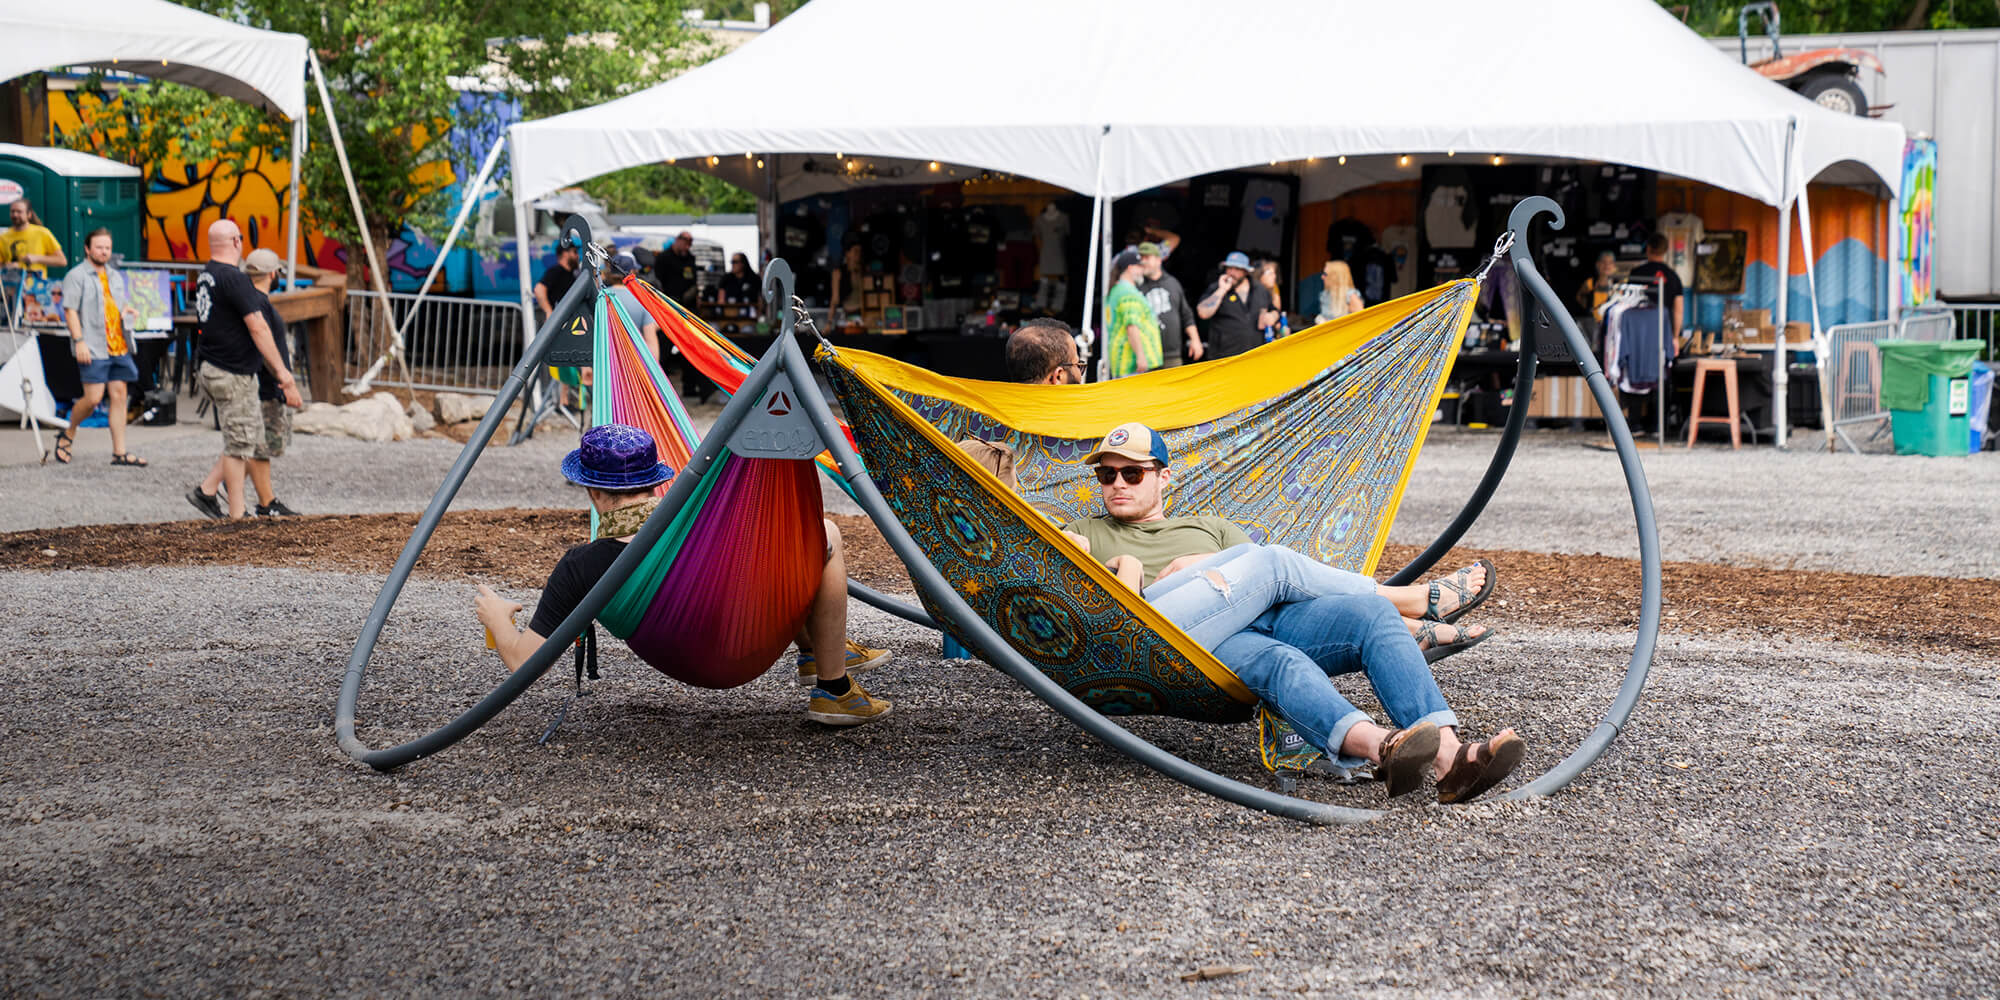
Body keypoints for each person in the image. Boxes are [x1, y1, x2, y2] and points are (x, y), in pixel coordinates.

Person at [1062, 422, 1520, 801]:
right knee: (1275, 560)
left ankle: (1442, 759)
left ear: (1164, 477)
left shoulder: (1211, 528)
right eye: (1107, 475)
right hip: (1162, 634)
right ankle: (1413, 600)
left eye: (1133, 474)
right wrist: (1131, 565)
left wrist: (1200, 564)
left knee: (1350, 627)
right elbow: (1093, 607)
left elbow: (1281, 588)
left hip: (1245, 632)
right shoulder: (1085, 531)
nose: (1117, 484)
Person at [474, 423, 892, 725]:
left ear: (593, 492)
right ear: (656, 485)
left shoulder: (580, 567)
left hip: (688, 657)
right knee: (819, 535)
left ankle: (816, 652)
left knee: (789, 551)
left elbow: (524, 664)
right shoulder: (695, 533)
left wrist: (496, 616)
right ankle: (832, 687)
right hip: (747, 639)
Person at [185, 220, 302, 520]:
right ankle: (236, 514)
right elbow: (258, 327)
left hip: (211, 365)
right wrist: (283, 374)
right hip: (231, 372)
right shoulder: (234, 279)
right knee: (239, 444)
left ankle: (215, 495)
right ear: (237, 242)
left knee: (243, 437)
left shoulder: (207, 274)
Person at [50, 227, 143, 466]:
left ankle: (119, 452)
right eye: (99, 247)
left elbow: (115, 304)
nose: (104, 252)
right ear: (87, 248)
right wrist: (79, 341)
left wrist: (126, 310)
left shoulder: (114, 275)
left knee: (119, 395)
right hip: (92, 344)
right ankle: (68, 432)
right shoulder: (76, 275)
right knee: (92, 399)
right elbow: (70, 310)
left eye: (107, 248)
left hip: (118, 344)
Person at [1195, 251, 1277, 360]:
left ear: (1246, 272)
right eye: (1229, 268)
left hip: (1256, 356)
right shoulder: (1217, 288)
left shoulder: (1259, 289)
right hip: (1224, 358)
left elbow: (1275, 311)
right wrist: (1222, 290)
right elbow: (1203, 313)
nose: (1232, 273)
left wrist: (1272, 316)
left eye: (1237, 269)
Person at [1138, 241, 1200, 365]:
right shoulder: (1137, 286)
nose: (1143, 262)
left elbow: (1186, 315)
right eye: (1141, 258)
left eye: (1147, 258)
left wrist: (1195, 340)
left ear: (1158, 260)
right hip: (1147, 356)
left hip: (1172, 355)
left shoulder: (1172, 283)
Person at [1103, 249, 1161, 379]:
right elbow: (1132, 326)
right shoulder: (1127, 293)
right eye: (1140, 266)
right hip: (1132, 364)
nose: (1143, 270)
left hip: (1123, 363)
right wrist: (1141, 356)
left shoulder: (1117, 290)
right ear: (1130, 268)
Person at [601, 251, 662, 361]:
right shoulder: (641, 299)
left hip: (607, 363)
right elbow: (651, 340)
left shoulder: (600, 297)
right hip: (634, 365)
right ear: (632, 272)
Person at [1629, 235, 1683, 336]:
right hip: (1664, 331)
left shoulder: (1636, 273)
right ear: (1665, 251)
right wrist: (1675, 337)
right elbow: (1678, 310)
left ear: (1648, 248)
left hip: (1640, 331)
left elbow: (1628, 302)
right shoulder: (1673, 276)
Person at [1005, 317, 1086, 385]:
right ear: (1058, 376)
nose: (1080, 372)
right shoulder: (1090, 403)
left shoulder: (994, 402)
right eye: (1078, 365)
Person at [0, 198, 67, 275]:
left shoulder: (42, 233)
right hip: (12, 285)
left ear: (29, 214)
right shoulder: (3, 237)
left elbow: (62, 261)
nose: (15, 215)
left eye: (19, 211)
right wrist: (6, 267)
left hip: (37, 285)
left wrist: (36, 258)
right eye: (12, 211)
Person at [533, 243, 580, 321]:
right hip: (558, 320)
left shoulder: (572, 274)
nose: (577, 256)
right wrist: (548, 311)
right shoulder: (556, 271)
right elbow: (539, 289)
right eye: (575, 252)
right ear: (565, 254)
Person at [653, 230, 700, 304]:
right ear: (678, 240)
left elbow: (692, 279)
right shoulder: (664, 257)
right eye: (685, 244)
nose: (687, 248)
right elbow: (657, 279)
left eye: (689, 245)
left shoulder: (690, 258)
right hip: (669, 300)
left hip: (687, 302)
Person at [1315, 260, 1365, 325]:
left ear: (1336, 276)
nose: (1322, 277)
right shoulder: (1325, 294)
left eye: (1325, 274)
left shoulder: (1350, 295)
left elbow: (1361, 321)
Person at [1254, 259, 1286, 341]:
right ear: (1259, 275)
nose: (1274, 276)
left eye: (1274, 273)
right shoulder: (1254, 294)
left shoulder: (1274, 292)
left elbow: (1277, 313)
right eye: (1270, 273)